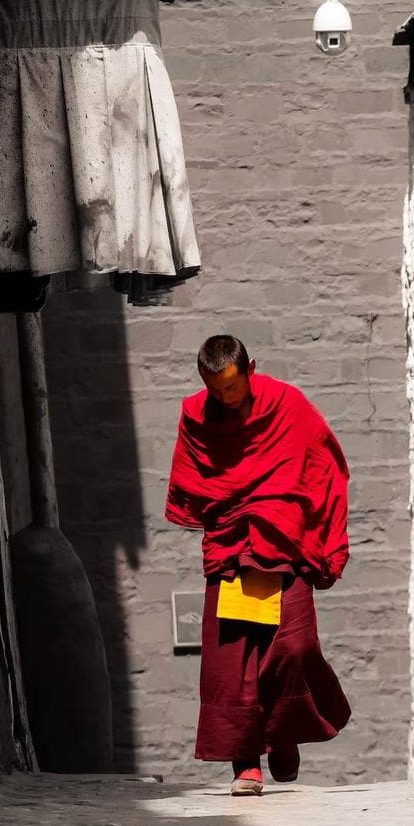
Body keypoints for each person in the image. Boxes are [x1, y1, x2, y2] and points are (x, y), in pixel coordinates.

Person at [165, 335, 351, 796]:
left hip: (282, 541)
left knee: (295, 647)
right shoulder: (196, 415)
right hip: (231, 546)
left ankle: (283, 733)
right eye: (215, 390)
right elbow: (196, 477)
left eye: (232, 387)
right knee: (233, 662)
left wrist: (323, 538)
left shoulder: (286, 404)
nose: (225, 399)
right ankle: (245, 765)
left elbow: (322, 464)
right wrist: (231, 504)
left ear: (251, 369)